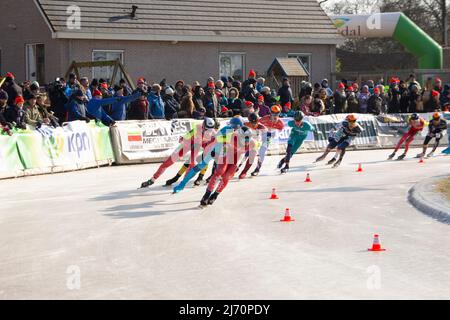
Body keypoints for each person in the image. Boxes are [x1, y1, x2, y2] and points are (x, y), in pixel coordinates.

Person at [172, 116, 244, 194]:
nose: (235, 129)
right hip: (216, 150)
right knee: (201, 166)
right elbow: (216, 139)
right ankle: (182, 184)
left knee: (219, 172)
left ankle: (210, 191)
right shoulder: (227, 129)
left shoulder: (240, 132)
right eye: (234, 128)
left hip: (223, 153)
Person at [139, 117, 217, 188]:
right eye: (206, 129)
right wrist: (183, 138)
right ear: (203, 125)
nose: (207, 131)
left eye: (210, 129)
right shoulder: (198, 128)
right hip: (188, 144)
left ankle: (185, 181)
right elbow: (189, 135)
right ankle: (152, 179)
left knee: (195, 162)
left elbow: (221, 141)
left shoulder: (214, 132)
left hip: (199, 145)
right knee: (167, 163)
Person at [199, 126, 257, 207]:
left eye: (248, 139)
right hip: (227, 152)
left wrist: (240, 166)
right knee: (220, 171)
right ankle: (206, 195)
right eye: (245, 139)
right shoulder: (231, 136)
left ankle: (215, 195)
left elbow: (251, 157)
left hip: (237, 156)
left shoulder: (253, 143)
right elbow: (215, 140)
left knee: (227, 176)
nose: (246, 142)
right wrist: (214, 150)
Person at [250, 105, 285, 176]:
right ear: (270, 113)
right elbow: (255, 125)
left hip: (270, 135)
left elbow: (279, 133)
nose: (275, 116)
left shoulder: (280, 123)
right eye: (273, 114)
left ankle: (258, 168)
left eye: (277, 114)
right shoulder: (264, 119)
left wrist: (271, 131)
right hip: (262, 133)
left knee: (262, 150)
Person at [238, 112, 267, 179]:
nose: (254, 124)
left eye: (255, 122)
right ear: (249, 121)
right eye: (252, 123)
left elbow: (267, 137)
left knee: (252, 155)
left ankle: (244, 171)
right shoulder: (245, 124)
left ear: (258, 121)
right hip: (247, 141)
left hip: (256, 143)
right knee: (240, 154)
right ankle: (236, 167)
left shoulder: (262, 127)